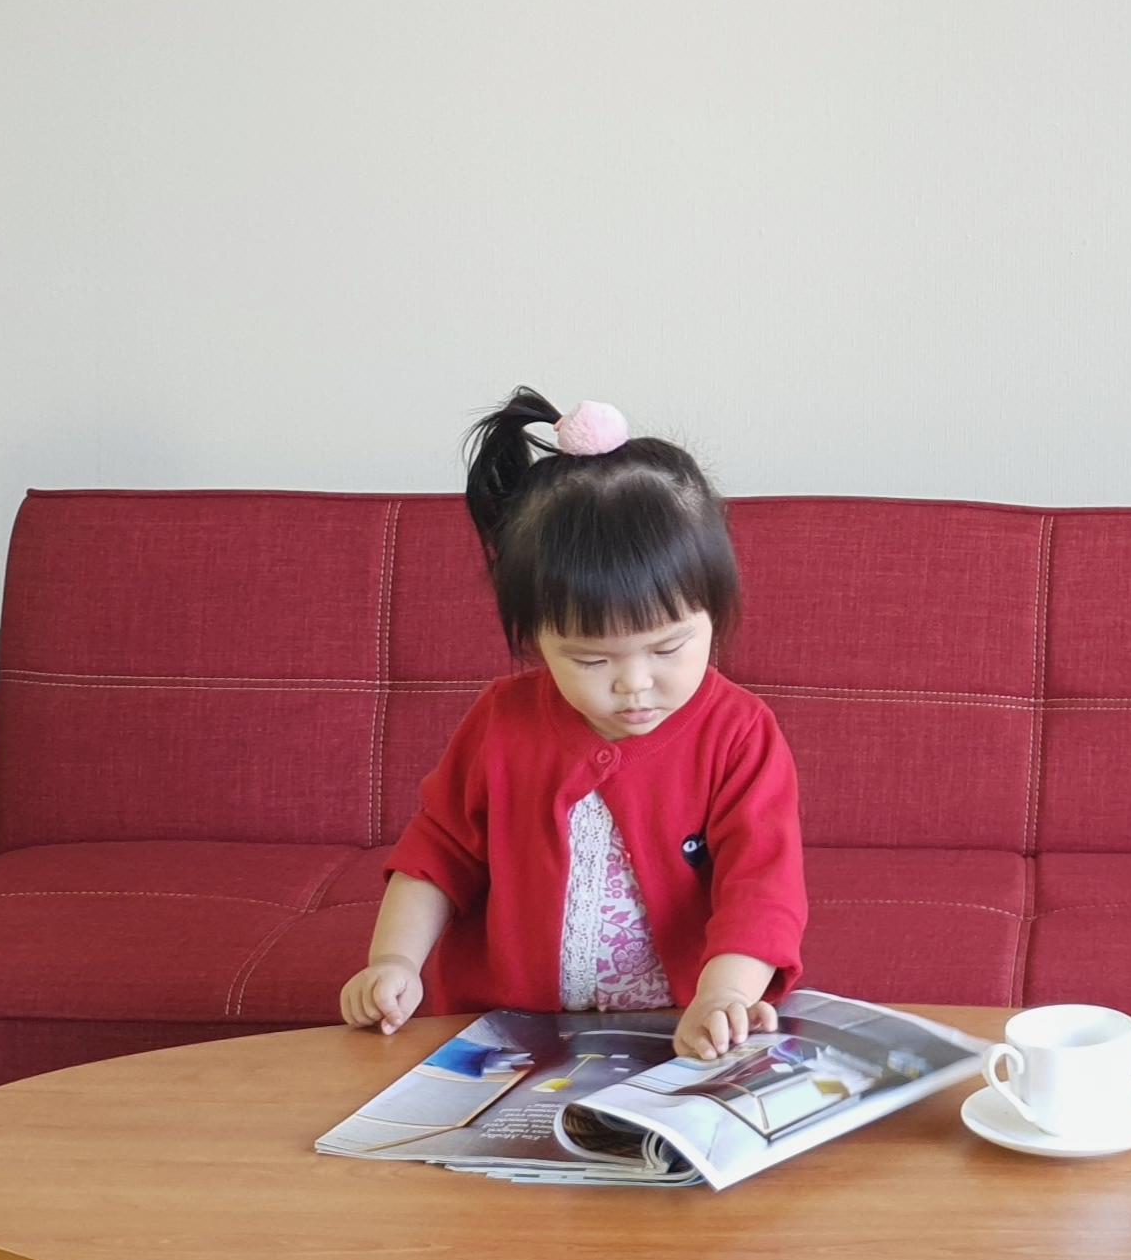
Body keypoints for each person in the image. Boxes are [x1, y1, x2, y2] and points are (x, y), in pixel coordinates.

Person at [341, 388, 806, 1061]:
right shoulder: (503, 721)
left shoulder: (739, 733)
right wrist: (393, 960)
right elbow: (436, 854)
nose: (633, 684)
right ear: (534, 638)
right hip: (512, 1033)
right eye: (590, 659)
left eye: (668, 649)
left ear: (716, 611)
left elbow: (761, 886)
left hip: (680, 1029)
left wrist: (723, 996)